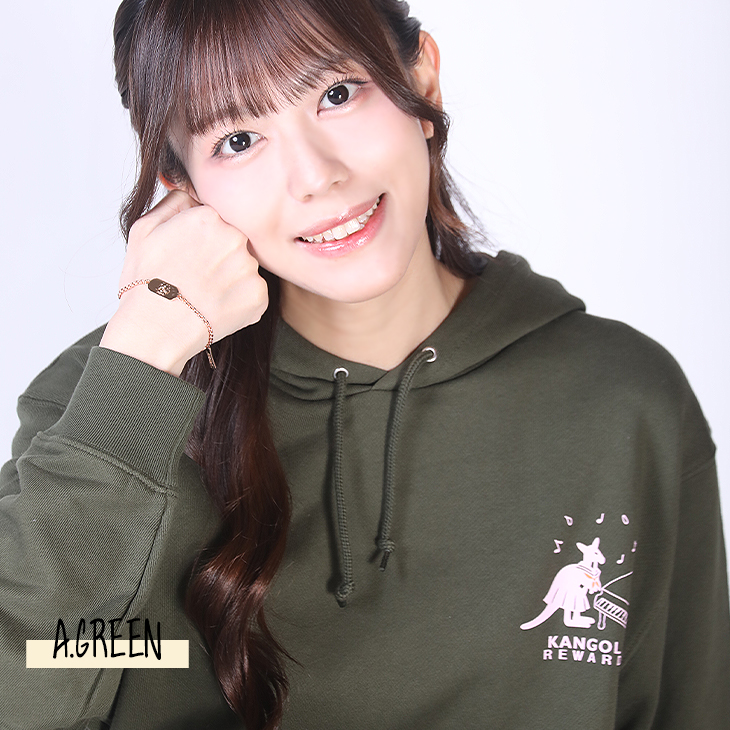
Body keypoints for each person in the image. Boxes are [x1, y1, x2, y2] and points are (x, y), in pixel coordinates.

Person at [0, 0, 728, 728]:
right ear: (182, 184)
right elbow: (22, 687)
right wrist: (141, 362)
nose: (316, 177)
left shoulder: (620, 402)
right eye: (239, 139)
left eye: (337, 93)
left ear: (422, 79)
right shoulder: (110, 406)